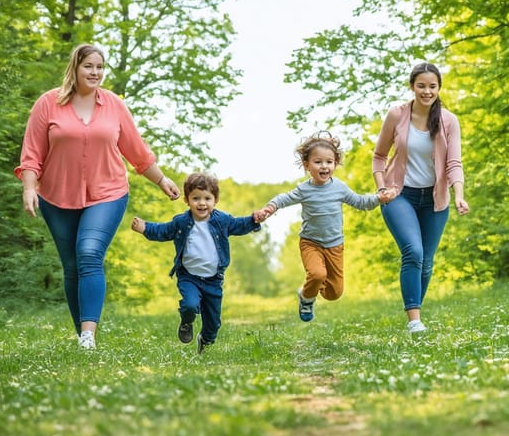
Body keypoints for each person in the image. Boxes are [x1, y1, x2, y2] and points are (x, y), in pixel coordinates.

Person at [16, 43, 181, 350]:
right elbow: (31, 154)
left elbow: (138, 153)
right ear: (75, 68)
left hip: (107, 194)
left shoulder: (114, 105)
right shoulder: (48, 103)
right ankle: (82, 333)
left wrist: (162, 180)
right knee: (71, 265)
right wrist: (29, 188)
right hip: (56, 195)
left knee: (89, 253)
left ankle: (88, 335)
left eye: (100, 67)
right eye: (88, 66)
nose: (95, 72)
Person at [372, 62, 470, 335]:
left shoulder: (448, 120)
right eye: (421, 86)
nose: (427, 91)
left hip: (435, 200)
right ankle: (414, 321)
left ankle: (415, 311)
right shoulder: (396, 115)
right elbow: (379, 156)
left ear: (439, 88)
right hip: (399, 195)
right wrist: (382, 189)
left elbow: (454, 163)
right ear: (412, 86)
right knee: (413, 252)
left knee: (426, 263)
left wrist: (459, 195)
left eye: (432, 86)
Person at [255, 131, 393, 322]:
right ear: (306, 165)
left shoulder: (340, 188)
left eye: (329, 162)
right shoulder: (304, 190)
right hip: (311, 243)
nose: (324, 166)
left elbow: (361, 203)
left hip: (335, 245)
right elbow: (283, 198)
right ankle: (306, 298)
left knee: (334, 293)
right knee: (318, 274)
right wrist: (270, 208)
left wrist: (379, 198)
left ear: (335, 164)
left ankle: (307, 289)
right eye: (318, 162)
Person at [132, 172, 261, 354]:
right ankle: (186, 322)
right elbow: (163, 231)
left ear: (215, 200)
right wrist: (145, 228)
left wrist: (253, 220)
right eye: (196, 198)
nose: (202, 203)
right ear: (187, 200)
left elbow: (238, 225)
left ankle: (205, 339)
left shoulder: (221, 221)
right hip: (189, 277)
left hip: (213, 280)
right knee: (190, 305)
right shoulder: (182, 222)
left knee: (213, 323)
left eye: (207, 198)